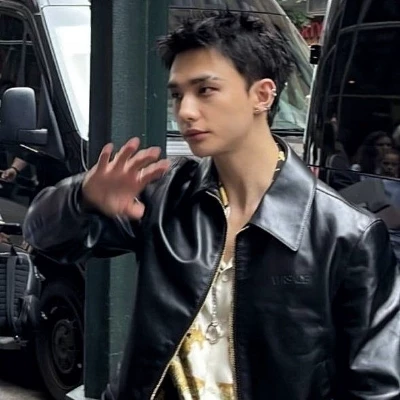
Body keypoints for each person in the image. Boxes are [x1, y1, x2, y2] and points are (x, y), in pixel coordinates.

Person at [23, 11, 400, 400]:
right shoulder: (167, 195)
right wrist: (82, 197)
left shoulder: (346, 235)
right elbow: (44, 240)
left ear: (262, 95)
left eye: (205, 90)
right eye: (177, 95)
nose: (185, 111)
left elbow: (377, 387)